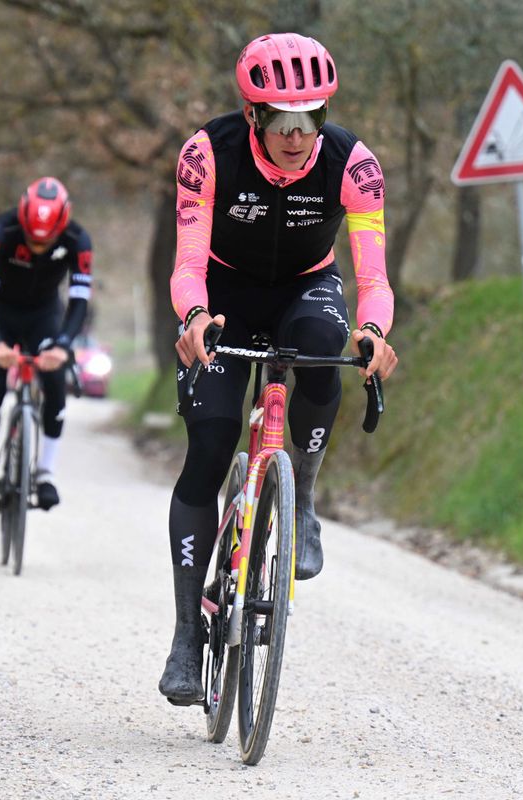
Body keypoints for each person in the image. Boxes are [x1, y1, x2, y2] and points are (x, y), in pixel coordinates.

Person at [159, 33, 400, 705]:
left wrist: (374, 331)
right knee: (207, 447)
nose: (298, 137)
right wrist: (194, 317)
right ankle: (185, 636)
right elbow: (186, 264)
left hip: (306, 289)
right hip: (223, 297)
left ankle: (306, 500)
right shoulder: (208, 154)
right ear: (253, 115)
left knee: (326, 347)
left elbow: (374, 278)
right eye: (283, 122)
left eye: (312, 119)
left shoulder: (354, 164)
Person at [0, 176, 93, 511]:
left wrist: (63, 345)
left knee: (55, 383)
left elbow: (80, 299)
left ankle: (45, 472)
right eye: (32, 240)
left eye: (46, 242)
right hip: (0, 312)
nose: (38, 248)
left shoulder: (78, 239)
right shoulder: (3, 230)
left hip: (44, 314)